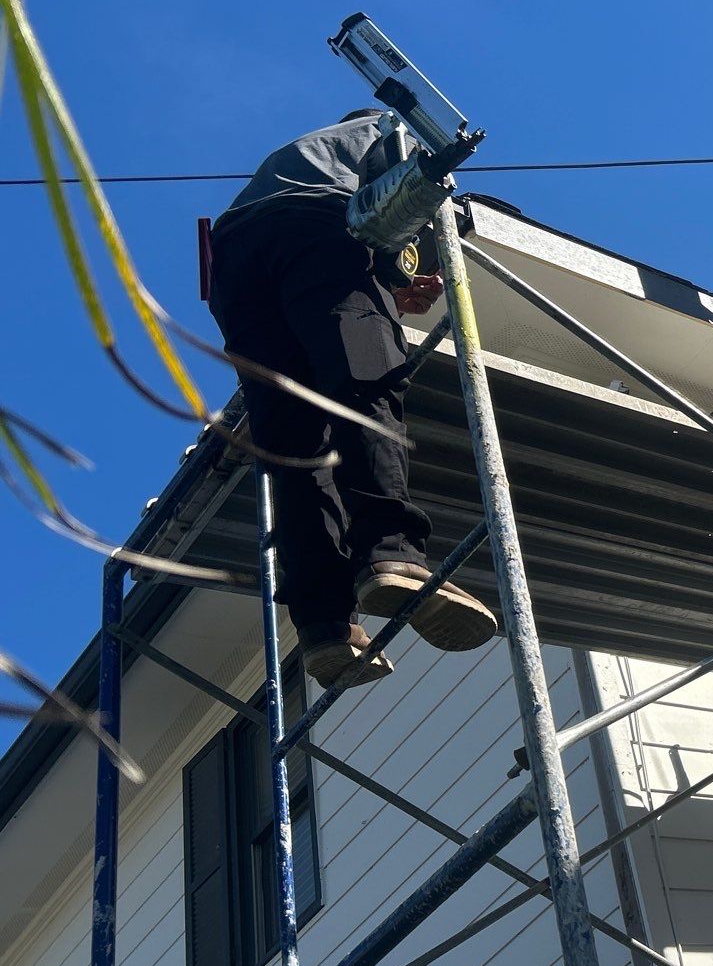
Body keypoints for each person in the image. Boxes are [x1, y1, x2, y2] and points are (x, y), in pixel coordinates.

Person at [208, 110, 497, 689]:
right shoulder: (388, 128)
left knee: (293, 447)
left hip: (232, 266)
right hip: (316, 230)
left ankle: (324, 626)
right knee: (367, 382)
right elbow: (402, 193)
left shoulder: (291, 159)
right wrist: (393, 271)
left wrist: (390, 280)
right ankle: (395, 554)